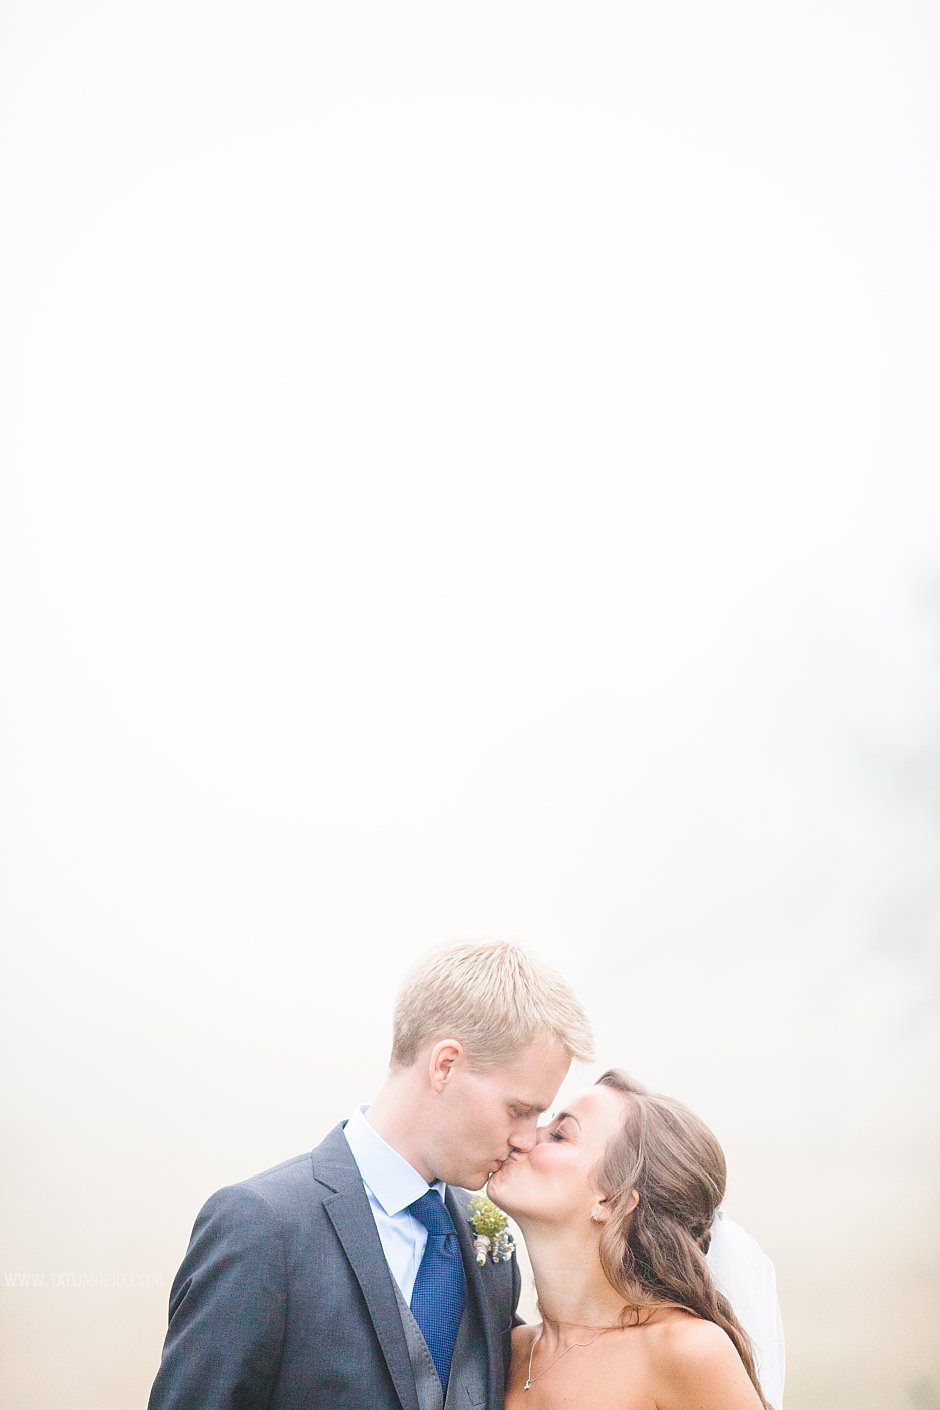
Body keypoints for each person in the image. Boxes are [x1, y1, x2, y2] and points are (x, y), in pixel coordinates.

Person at [147, 941, 595, 1410]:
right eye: (519, 1110)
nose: (526, 1139)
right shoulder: (261, 1224)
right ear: (445, 1065)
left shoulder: (492, 1244)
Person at [488, 1069, 776, 1410]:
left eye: (559, 1135)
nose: (524, 1137)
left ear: (611, 1201)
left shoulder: (686, 1351)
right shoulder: (509, 1350)